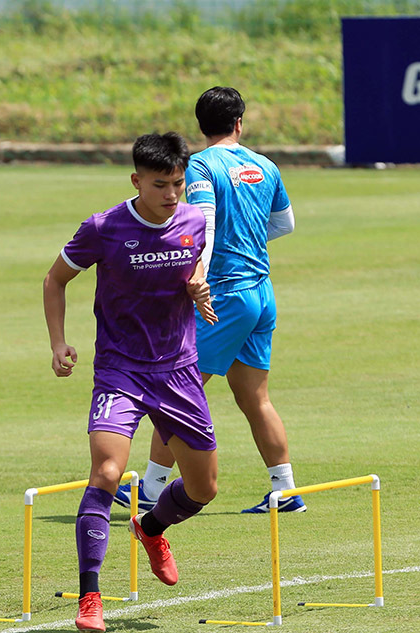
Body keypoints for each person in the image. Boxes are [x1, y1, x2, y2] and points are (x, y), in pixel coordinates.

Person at [43, 132, 219, 633]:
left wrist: (197, 288)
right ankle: (90, 597)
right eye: (160, 185)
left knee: (204, 488)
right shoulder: (103, 228)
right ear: (136, 180)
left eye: (178, 185)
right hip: (120, 370)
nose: (171, 195)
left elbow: (196, 262)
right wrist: (58, 343)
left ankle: (152, 526)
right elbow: (54, 279)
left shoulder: (191, 220)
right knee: (106, 471)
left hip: (180, 370)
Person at [115, 86, 302, 514]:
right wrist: (249, 239)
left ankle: (149, 488)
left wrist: (196, 274)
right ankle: (286, 490)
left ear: (200, 126)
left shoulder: (201, 166)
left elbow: (205, 226)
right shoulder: (265, 165)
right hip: (261, 292)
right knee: (256, 398)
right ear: (240, 122)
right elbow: (285, 224)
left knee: (175, 391)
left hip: (224, 295)